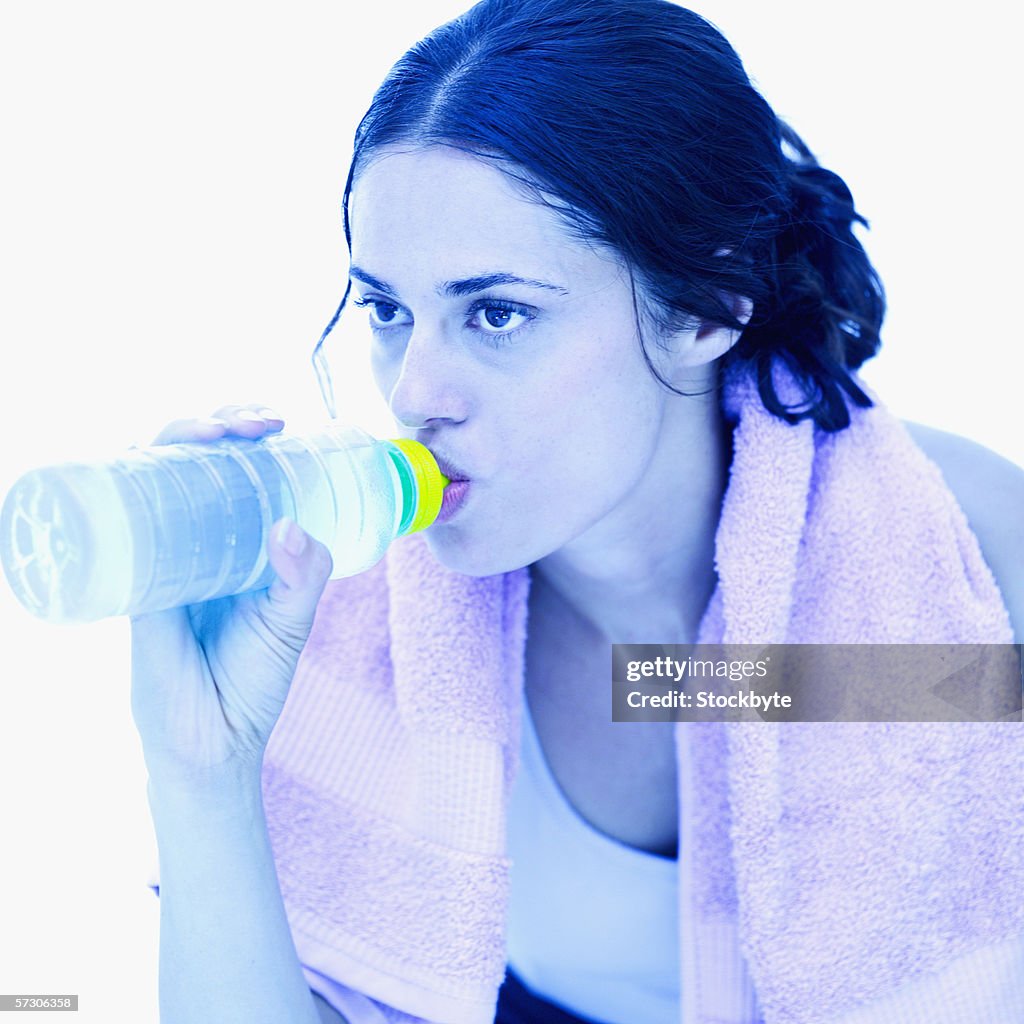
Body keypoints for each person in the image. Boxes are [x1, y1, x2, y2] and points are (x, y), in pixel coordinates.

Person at [130, 1, 1024, 1022]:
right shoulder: (347, 624)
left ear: (704, 302)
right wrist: (203, 775)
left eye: (498, 312)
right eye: (387, 310)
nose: (416, 389)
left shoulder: (966, 566)